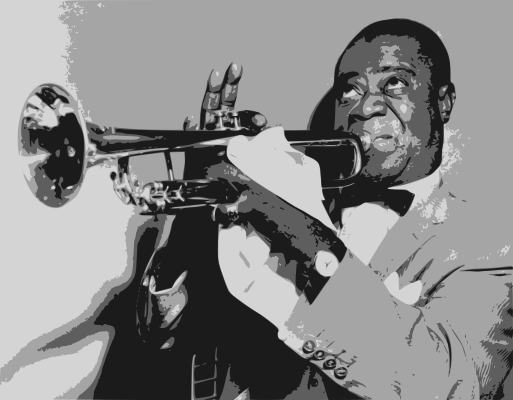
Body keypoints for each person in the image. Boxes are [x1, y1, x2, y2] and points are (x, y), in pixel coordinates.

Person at [135, 18, 512, 399]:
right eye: (350, 90)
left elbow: (449, 385)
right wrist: (194, 213)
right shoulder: (279, 196)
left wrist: (299, 229)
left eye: (395, 83)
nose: (365, 106)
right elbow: (164, 332)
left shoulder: (489, 247)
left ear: (443, 102)